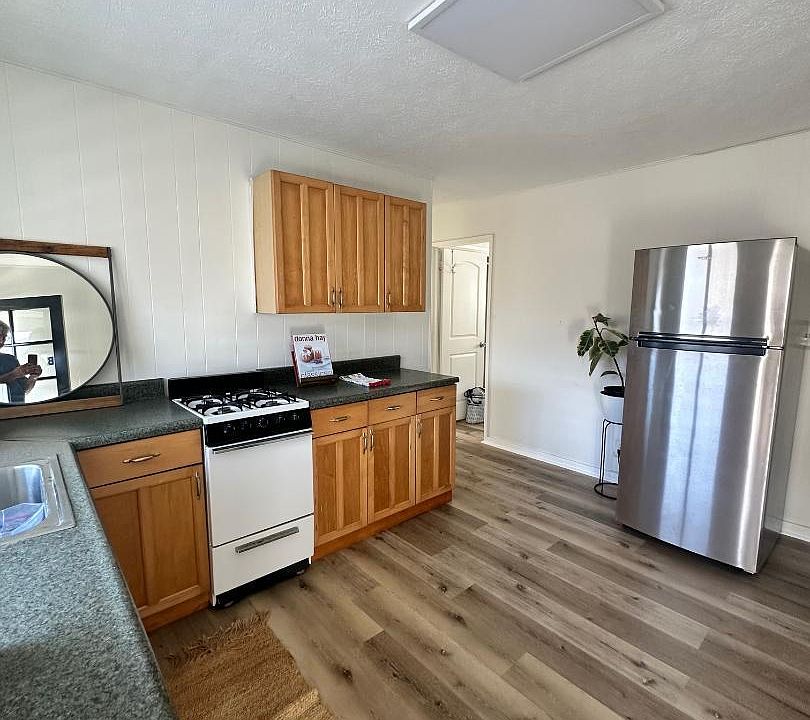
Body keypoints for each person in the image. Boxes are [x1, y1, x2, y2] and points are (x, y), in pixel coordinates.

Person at [0, 320, 42, 403]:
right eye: (0, 335)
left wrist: (33, 376)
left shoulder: (11, 359)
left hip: (20, 410)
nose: (3, 339)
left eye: (4, 336)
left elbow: (25, 390)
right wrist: (14, 374)